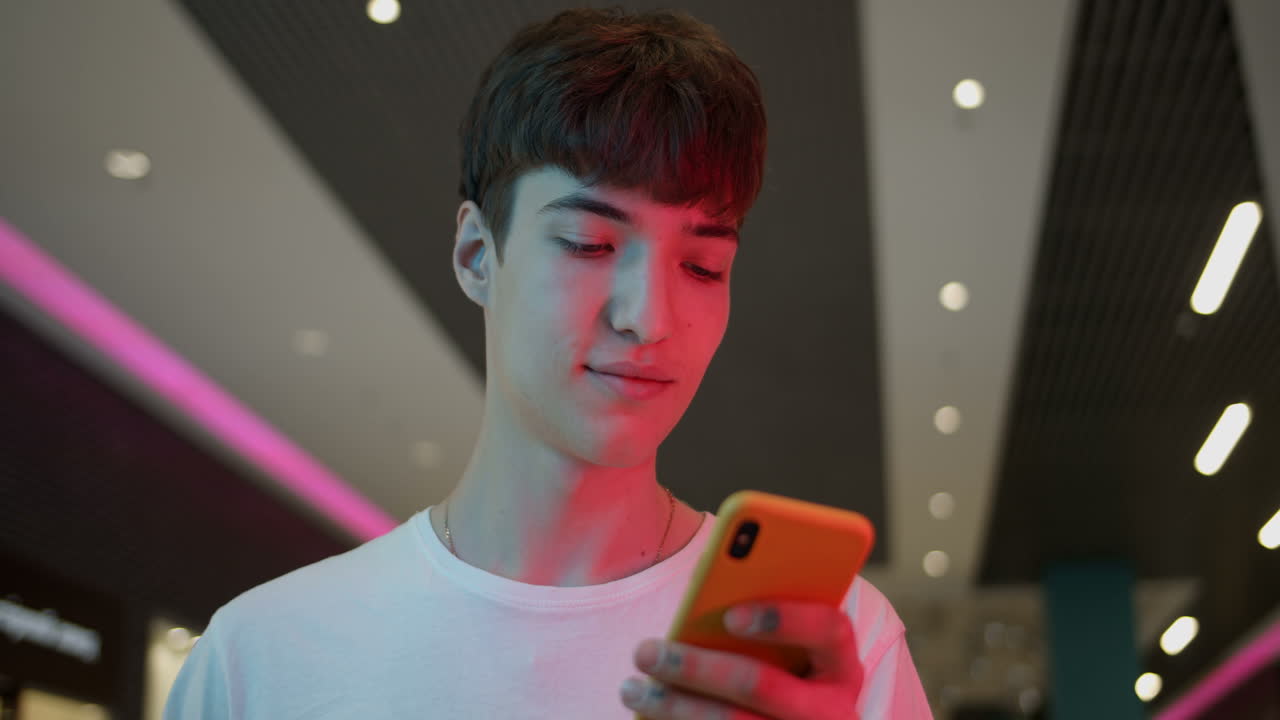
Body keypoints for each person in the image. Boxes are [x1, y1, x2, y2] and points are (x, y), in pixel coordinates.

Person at [164, 5, 931, 718]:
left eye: (702, 266)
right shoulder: (263, 658)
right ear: (476, 254)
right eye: (590, 245)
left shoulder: (833, 651)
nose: (649, 319)